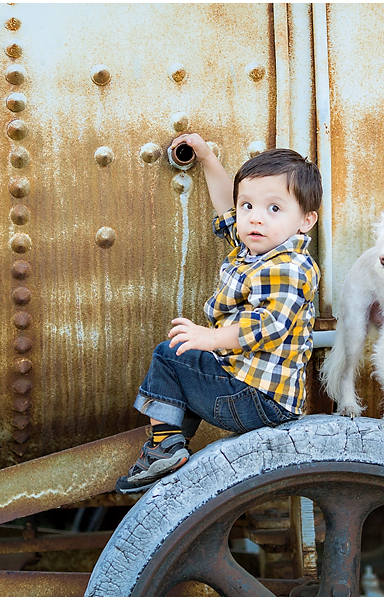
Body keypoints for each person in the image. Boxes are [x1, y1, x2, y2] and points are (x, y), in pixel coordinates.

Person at [115, 134, 322, 494]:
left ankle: (164, 445)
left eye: (274, 209)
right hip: (248, 390)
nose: (256, 218)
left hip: (259, 400)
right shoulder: (256, 249)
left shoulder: (290, 266)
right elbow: (228, 204)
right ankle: (168, 446)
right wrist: (208, 157)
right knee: (185, 358)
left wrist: (211, 339)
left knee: (170, 355)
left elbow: (269, 325)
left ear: (305, 220)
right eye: (248, 207)